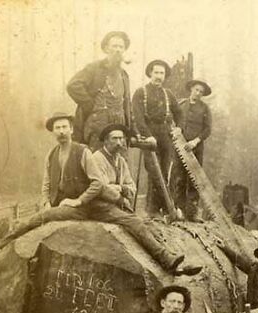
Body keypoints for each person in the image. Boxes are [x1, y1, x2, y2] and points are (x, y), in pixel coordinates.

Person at [0, 113, 198, 276]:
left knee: (133, 222)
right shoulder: (51, 155)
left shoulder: (83, 151)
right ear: (52, 132)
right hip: (71, 208)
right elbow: (47, 184)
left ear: (71, 129)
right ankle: (2, 244)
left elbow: (97, 184)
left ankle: (168, 260)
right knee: (40, 218)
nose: (61, 131)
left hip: (95, 206)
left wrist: (79, 200)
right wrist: (46, 203)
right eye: (57, 128)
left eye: (64, 127)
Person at [67, 31, 132, 150]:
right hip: (98, 125)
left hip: (119, 127)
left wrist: (132, 129)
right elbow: (73, 85)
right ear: (106, 49)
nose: (118, 50)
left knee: (119, 162)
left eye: (121, 47)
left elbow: (127, 104)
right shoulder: (95, 68)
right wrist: (90, 105)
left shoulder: (124, 75)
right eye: (114, 46)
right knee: (97, 160)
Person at [132, 60, 182, 215]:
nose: (159, 76)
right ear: (150, 73)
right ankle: (156, 210)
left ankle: (163, 209)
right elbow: (138, 117)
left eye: (162, 73)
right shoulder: (141, 92)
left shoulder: (168, 94)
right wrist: (148, 136)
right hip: (149, 136)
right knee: (154, 171)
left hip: (166, 135)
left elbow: (179, 113)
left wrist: (179, 128)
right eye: (156, 72)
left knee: (165, 171)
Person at [177, 79, 213, 220]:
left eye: (201, 92)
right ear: (191, 88)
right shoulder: (180, 105)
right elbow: (173, 121)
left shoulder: (204, 108)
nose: (198, 93)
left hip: (196, 148)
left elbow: (208, 129)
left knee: (194, 180)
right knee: (179, 178)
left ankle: (192, 212)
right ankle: (178, 209)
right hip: (179, 146)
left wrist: (195, 141)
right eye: (196, 90)